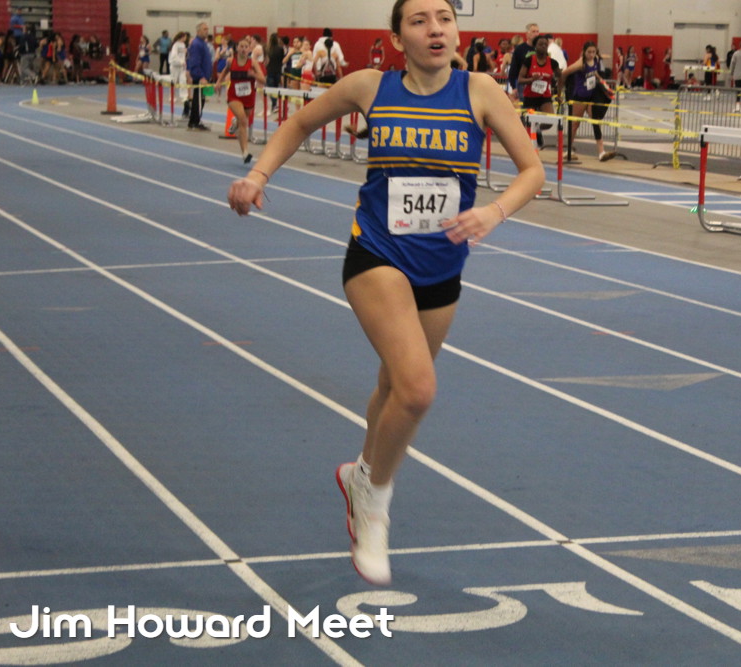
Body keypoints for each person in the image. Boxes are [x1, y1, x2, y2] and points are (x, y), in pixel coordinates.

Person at [227, 0, 544, 586]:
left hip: (442, 264)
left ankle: (359, 474)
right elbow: (298, 123)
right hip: (376, 253)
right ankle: (374, 499)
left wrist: (493, 212)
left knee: (393, 386)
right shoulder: (370, 87)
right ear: (397, 38)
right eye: (419, 21)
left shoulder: (480, 92)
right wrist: (257, 175)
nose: (435, 29)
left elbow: (533, 170)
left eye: (444, 18)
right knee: (418, 390)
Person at [561, 41, 616, 162]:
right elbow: (564, 73)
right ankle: (568, 150)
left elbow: (594, 72)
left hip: (591, 95)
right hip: (579, 97)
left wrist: (603, 83)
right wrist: (562, 88)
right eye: (589, 52)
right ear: (584, 52)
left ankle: (601, 152)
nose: (591, 55)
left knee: (595, 121)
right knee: (575, 124)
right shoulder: (580, 63)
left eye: (593, 52)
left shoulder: (596, 59)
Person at [215, 37, 263, 163]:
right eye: (241, 46)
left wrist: (253, 75)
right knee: (243, 120)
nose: (243, 49)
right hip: (234, 96)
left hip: (249, 97)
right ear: (237, 48)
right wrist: (218, 82)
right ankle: (245, 153)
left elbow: (263, 79)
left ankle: (235, 122)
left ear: (249, 49)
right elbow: (224, 72)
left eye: (246, 47)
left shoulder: (253, 63)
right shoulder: (231, 61)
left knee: (242, 119)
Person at [518, 33, 561, 148]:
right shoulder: (529, 61)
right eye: (540, 44)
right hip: (530, 96)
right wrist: (531, 79)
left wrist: (558, 94)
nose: (543, 46)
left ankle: (537, 129)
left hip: (544, 97)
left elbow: (560, 77)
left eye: (545, 44)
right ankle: (527, 146)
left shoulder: (552, 63)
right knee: (525, 123)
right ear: (535, 46)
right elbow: (520, 79)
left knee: (550, 121)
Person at [187, 22, 212, 130]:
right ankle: (194, 123)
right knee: (198, 100)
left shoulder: (203, 43)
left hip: (206, 77)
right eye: (204, 29)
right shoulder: (196, 44)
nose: (207, 31)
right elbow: (195, 62)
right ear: (198, 31)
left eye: (207, 29)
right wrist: (201, 76)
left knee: (202, 100)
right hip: (201, 78)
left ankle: (196, 120)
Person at [506, 22, 540, 100]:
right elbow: (514, 68)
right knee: (525, 104)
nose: (536, 34)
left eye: (537, 31)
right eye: (533, 31)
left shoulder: (541, 49)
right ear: (527, 34)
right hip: (523, 83)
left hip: (538, 83)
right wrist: (514, 87)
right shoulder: (520, 49)